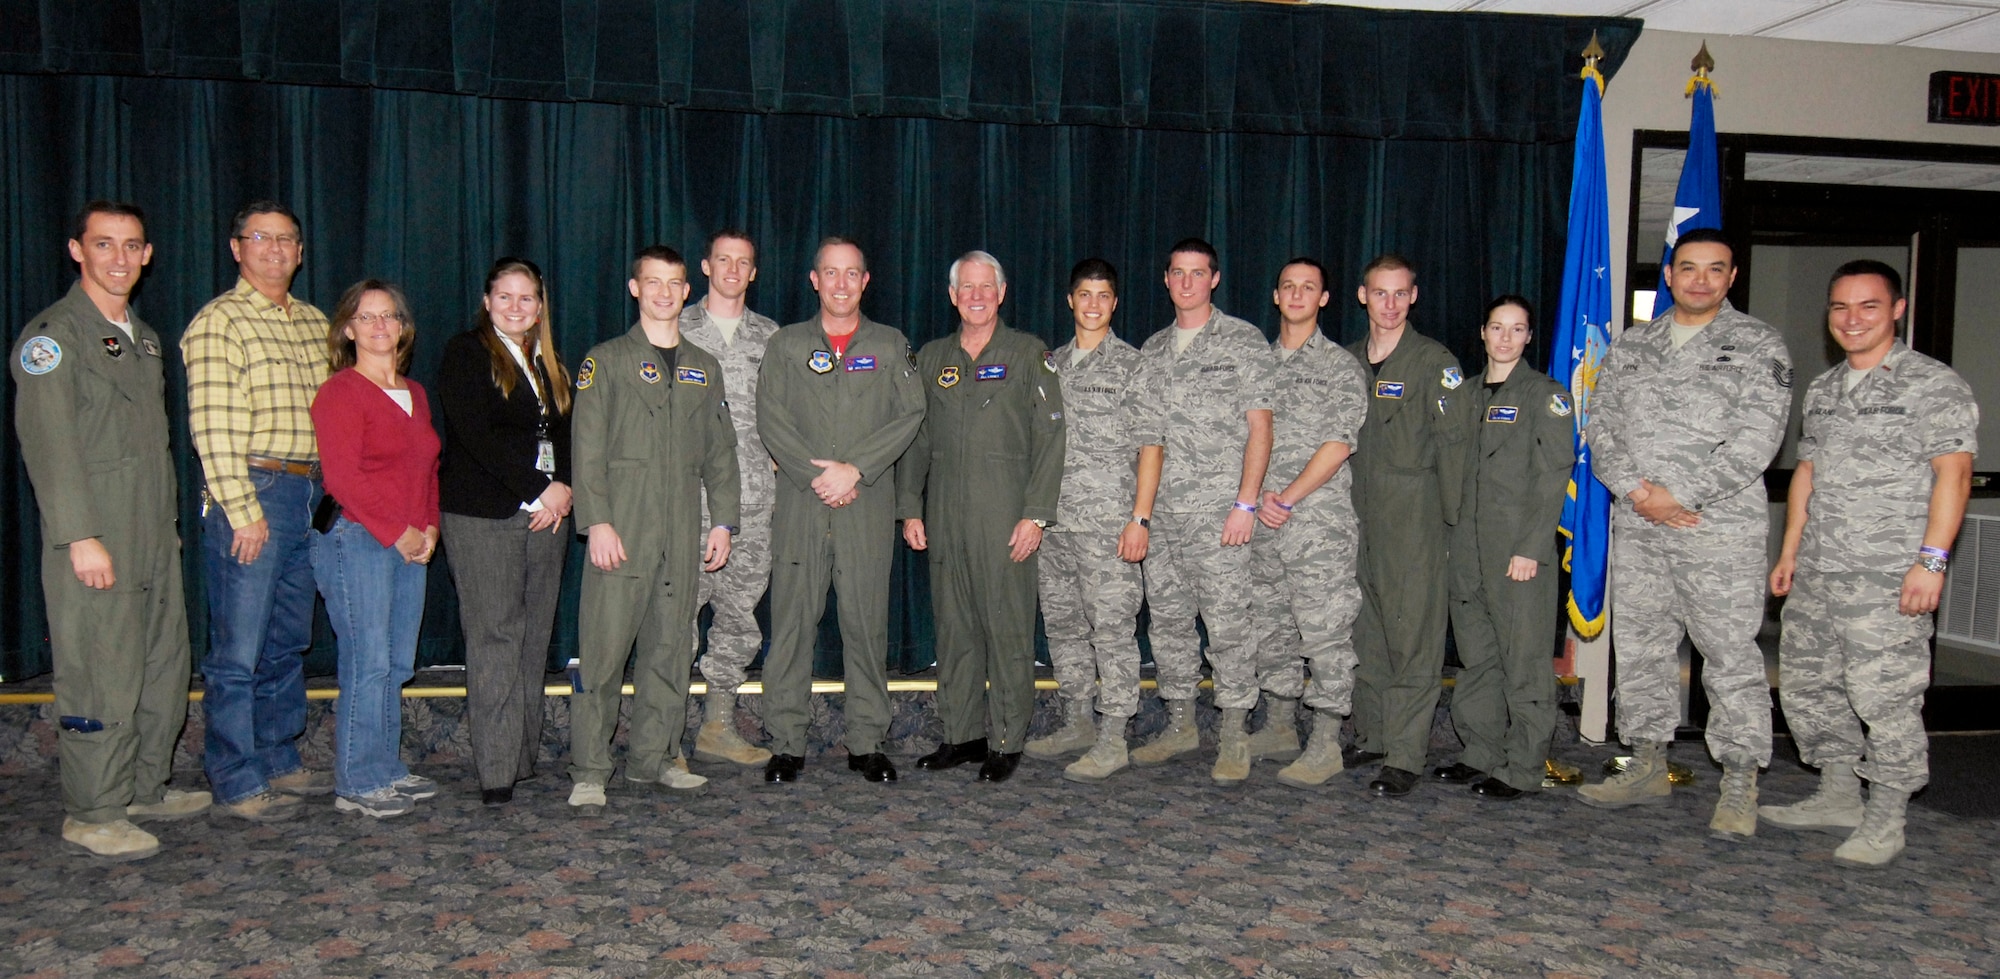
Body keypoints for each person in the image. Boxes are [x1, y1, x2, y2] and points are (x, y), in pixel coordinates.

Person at [1575, 228, 1792, 840]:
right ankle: (1646, 763)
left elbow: (1759, 440)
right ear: (1668, 275)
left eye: (1714, 269)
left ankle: (1742, 781)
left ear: (1732, 277)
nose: (1700, 279)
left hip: (1715, 529)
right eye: (1688, 268)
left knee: (1727, 656)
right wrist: (1639, 493)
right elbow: (1601, 425)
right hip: (1640, 525)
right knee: (1642, 648)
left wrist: (1679, 497)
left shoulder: (1757, 345)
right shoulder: (1633, 346)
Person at [1763, 260, 1976, 866]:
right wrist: (1790, 551)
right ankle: (1837, 794)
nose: (1852, 320)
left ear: (1897, 310)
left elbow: (1953, 474)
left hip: (1888, 574)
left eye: (1868, 307)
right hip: (1821, 568)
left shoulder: (1931, 385)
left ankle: (1887, 817)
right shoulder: (1826, 389)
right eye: (1840, 308)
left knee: (1884, 697)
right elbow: (1807, 472)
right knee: (1811, 684)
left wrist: (1931, 564)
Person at [14, 201, 208, 859]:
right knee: (101, 669)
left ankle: (143, 786)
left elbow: (149, 448)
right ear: (77, 250)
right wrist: (79, 535)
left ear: (148, 254)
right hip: (95, 536)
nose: (119, 258)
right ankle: (93, 809)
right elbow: (50, 445)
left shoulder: (143, 337)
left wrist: (168, 528)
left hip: (149, 532)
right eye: (104, 244)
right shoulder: (53, 338)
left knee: (160, 661)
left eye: (131, 245)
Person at [566, 246, 739, 812]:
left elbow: (721, 454)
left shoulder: (703, 367)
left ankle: (656, 758)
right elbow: (586, 451)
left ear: (688, 290)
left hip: (681, 533)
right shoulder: (607, 361)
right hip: (624, 530)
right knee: (605, 654)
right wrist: (598, 522)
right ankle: (591, 769)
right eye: (653, 282)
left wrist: (724, 522)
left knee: (670, 651)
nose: (665, 292)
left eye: (675, 283)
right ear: (635, 288)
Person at [183, 201, 333, 821]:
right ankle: (235, 774)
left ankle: (277, 755)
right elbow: (214, 429)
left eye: (286, 239)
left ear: (300, 252)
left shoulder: (316, 322)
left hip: (310, 492)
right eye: (260, 238)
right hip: (253, 488)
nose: (274, 249)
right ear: (236, 247)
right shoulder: (219, 322)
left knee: (288, 639)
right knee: (238, 647)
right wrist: (240, 509)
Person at [756, 236, 925, 784]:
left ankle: (867, 741)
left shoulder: (891, 343)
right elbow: (770, 418)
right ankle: (786, 742)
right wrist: (816, 476)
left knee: (865, 625)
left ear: (865, 281)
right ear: (814, 280)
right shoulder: (786, 345)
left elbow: (910, 414)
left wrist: (855, 469)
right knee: (791, 627)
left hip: (865, 506)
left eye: (852, 273)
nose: (841, 283)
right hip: (802, 507)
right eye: (831, 273)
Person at [899, 251, 1066, 783]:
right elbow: (917, 439)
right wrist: (909, 508)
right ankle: (962, 734)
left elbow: (1050, 437)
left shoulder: (1027, 353)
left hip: (1004, 514)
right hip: (945, 515)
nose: (975, 295)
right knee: (954, 630)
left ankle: (1007, 738)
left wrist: (1035, 515)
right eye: (965, 287)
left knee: (1008, 630)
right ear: (952, 296)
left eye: (984, 287)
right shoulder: (932, 358)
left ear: (1002, 292)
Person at [1129, 238, 1275, 786]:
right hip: (1163, 518)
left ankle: (1235, 732)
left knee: (1229, 626)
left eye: (1198, 273)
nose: (1186, 282)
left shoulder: (1242, 341)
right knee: (1168, 625)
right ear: (1166, 279)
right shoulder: (1153, 350)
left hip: (1220, 516)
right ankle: (1181, 724)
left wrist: (1246, 502)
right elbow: (1147, 441)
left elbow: (1261, 428)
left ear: (1214, 279)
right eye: (1177, 273)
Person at [437, 258, 574, 806]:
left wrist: (563, 486)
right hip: (485, 516)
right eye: (505, 297)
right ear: (486, 301)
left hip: (546, 516)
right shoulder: (465, 354)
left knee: (533, 636)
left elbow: (568, 435)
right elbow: (476, 435)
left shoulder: (550, 362)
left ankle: (521, 758)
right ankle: (495, 772)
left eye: (527, 299)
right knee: (496, 638)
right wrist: (536, 488)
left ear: (540, 306)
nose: (516, 307)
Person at [310, 280, 442, 818]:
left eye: (389, 316)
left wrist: (429, 527)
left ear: (403, 327)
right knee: (367, 661)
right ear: (348, 329)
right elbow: (343, 479)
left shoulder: (415, 393)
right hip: (357, 539)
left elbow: (428, 470)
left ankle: (384, 768)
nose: (380, 326)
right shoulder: (340, 392)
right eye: (367, 318)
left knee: (394, 662)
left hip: (411, 543)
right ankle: (357, 781)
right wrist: (398, 531)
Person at [1433, 296, 1573, 801]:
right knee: (1477, 657)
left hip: (1516, 552)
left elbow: (1553, 476)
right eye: (1498, 327)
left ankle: (1523, 765)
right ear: (1484, 333)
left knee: (1524, 661)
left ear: (1530, 337)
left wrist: (1531, 548)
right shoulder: (1464, 396)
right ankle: (1480, 751)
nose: (1506, 338)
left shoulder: (1545, 396)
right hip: (1466, 550)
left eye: (1517, 329)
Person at [1023, 259, 1151, 784]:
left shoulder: (1132, 365)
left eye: (1103, 295)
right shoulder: (1050, 364)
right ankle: (1077, 720)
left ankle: (1114, 735)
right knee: (1064, 626)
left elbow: (1151, 446)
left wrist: (1139, 518)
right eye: (1084, 294)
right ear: (1070, 300)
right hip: (1055, 524)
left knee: (1113, 629)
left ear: (1114, 303)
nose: (1093, 304)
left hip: (1107, 523)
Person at [1343, 254, 1464, 797]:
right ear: (1363, 296)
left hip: (1414, 519)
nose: (1389, 304)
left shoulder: (1434, 363)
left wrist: (1451, 528)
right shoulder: (1346, 361)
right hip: (1356, 516)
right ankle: (1372, 733)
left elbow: (1456, 453)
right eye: (1379, 293)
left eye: (1400, 294)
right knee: (1366, 632)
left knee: (1414, 636)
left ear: (1413, 296)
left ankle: (1406, 754)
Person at [1247, 258, 1369, 789]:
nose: (1297, 295)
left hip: (1316, 521)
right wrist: (1255, 500)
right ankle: (1278, 725)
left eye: (1309, 288)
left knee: (1324, 631)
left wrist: (1288, 498)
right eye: (1288, 287)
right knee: (1269, 625)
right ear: (1276, 296)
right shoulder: (1255, 364)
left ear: (1323, 299)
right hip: (1262, 519)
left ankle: (1325, 741)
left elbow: (1339, 443)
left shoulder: (1340, 366)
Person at [681, 230, 782, 768]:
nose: (733, 269)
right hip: (688, 502)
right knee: (676, 619)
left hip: (753, 504)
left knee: (739, 617)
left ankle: (717, 726)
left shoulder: (772, 337)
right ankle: (664, 736)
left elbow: (790, 415)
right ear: (706, 265)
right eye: (723, 259)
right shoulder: (676, 327)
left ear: (753, 272)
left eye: (744, 262)